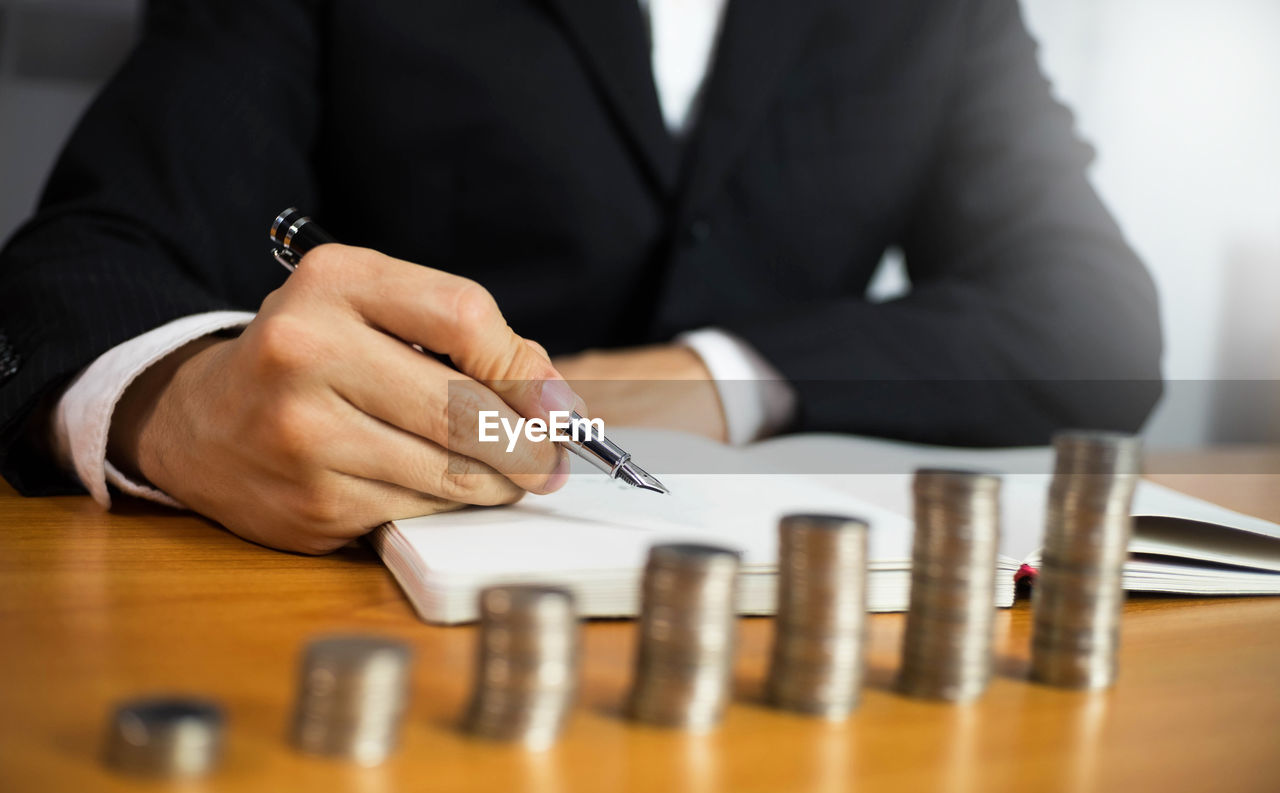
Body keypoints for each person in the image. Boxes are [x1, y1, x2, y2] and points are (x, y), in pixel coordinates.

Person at [0, 0, 1162, 553]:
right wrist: (181, 402)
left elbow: (1094, 322)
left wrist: (709, 377)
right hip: (361, 581)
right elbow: (79, 263)